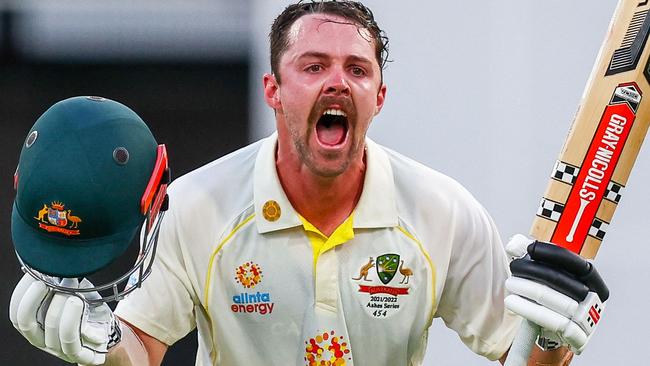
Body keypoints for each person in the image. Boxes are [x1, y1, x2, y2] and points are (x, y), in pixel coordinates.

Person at [10, 1, 608, 365]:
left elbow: (522, 357)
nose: (337, 82)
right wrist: (98, 348)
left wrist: (550, 341)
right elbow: (139, 349)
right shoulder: (196, 204)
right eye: (313, 66)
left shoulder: (442, 212)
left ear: (379, 95)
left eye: (357, 69)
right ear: (273, 90)